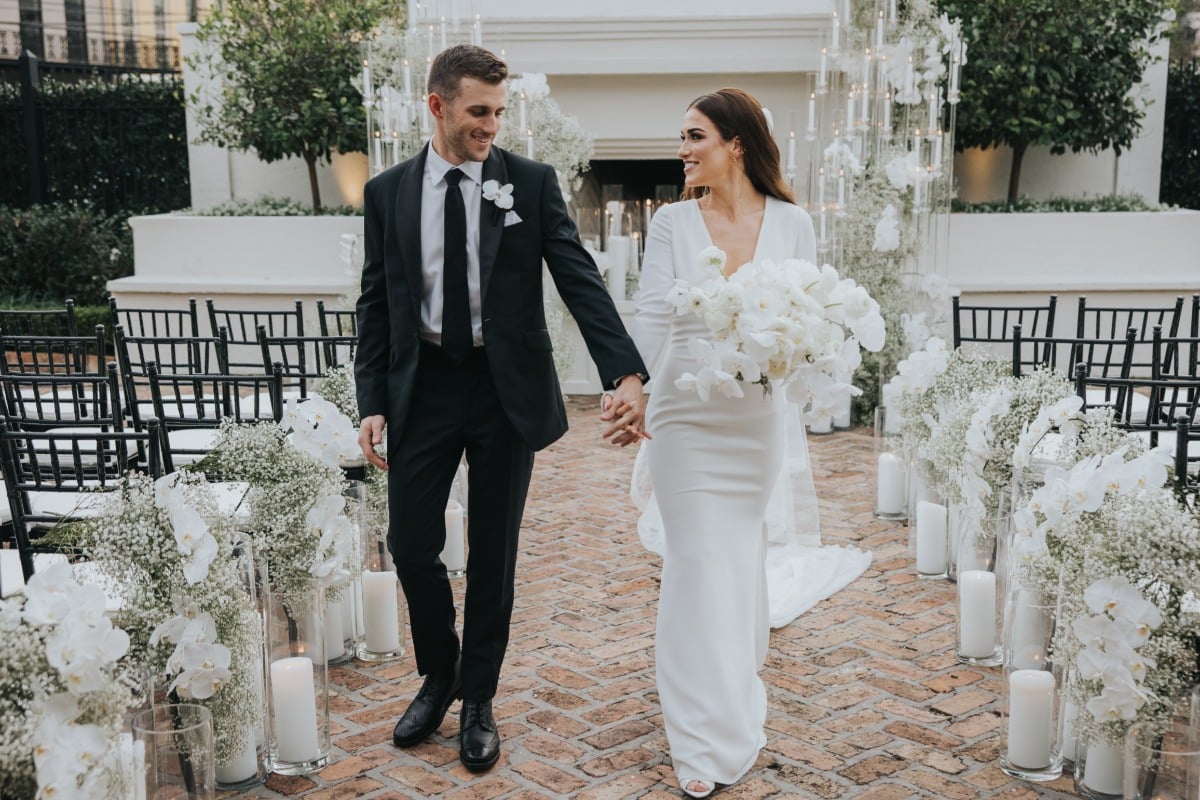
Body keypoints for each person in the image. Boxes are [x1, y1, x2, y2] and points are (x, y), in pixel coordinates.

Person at [355, 44, 649, 773]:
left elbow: (579, 280)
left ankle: (478, 698)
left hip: (502, 390)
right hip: (421, 388)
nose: (490, 127)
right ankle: (441, 672)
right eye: (477, 112)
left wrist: (626, 371)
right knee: (412, 543)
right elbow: (375, 302)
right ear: (438, 106)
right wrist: (371, 401)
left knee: (493, 553)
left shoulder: (529, 182)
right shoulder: (388, 192)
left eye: (497, 112)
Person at [632, 88, 870, 798]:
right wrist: (632, 391)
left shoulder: (794, 224)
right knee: (695, 563)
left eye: (695, 135)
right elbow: (650, 314)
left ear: (736, 143)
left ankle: (733, 693)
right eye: (682, 136)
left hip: (755, 423)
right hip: (684, 416)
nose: (683, 149)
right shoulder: (674, 222)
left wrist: (814, 359)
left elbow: (815, 317)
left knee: (735, 561)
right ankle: (700, 737)